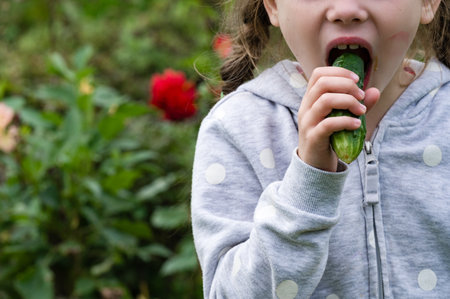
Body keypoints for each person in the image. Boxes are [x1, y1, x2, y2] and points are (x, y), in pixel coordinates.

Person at [191, 0, 450, 297]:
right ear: (274, 6)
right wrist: (309, 182)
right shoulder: (236, 128)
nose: (345, 10)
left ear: (427, 2)